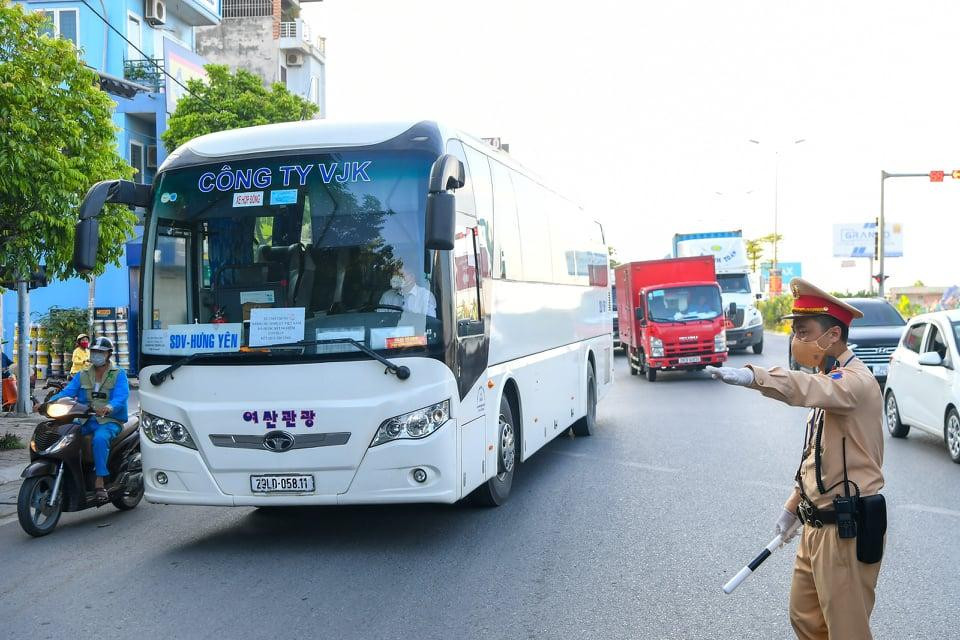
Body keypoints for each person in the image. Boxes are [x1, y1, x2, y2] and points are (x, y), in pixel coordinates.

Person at [705, 278, 885, 640]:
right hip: (814, 526)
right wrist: (792, 507)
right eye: (794, 331)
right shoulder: (828, 379)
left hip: (845, 530)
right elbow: (816, 457)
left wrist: (753, 377)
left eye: (804, 332)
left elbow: (803, 389)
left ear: (832, 335)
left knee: (846, 631)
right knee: (805, 619)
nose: (795, 340)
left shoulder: (853, 383)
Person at [44, 337, 130, 500]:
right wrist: (47, 403)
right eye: (94, 351)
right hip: (85, 419)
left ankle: (100, 481)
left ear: (108, 354)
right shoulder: (82, 374)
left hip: (109, 420)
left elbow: (121, 396)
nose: (96, 354)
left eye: (100, 352)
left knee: (100, 439)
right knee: (65, 434)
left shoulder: (119, 374)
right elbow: (68, 392)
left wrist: (109, 407)